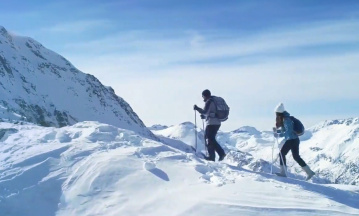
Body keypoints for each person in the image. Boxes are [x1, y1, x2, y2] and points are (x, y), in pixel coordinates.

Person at [273, 103, 315, 180]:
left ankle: (283, 173)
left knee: (282, 154)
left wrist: (278, 135)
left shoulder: (287, 120)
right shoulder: (286, 118)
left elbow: (288, 132)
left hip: (291, 140)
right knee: (296, 157)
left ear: (279, 113)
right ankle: (309, 172)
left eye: (276, 114)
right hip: (294, 140)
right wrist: (277, 132)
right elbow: (285, 131)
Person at [194, 89, 226, 161]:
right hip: (217, 122)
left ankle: (219, 154)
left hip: (211, 123)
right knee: (210, 139)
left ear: (205, 96)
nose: (203, 98)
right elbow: (211, 112)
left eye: (203, 96)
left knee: (209, 138)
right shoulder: (213, 100)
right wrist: (205, 116)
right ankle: (213, 156)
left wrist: (197, 108)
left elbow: (205, 112)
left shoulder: (209, 101)